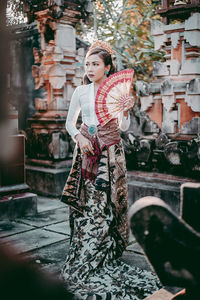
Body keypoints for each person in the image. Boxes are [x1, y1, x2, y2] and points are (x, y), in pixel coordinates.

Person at [61, 40, 160, 299]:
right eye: (87, 64)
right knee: (88, 201)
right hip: (85, 151)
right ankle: (86, 248)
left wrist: (125, 110)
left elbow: (124, 127)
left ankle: (107, 249)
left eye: (95, 64)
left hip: (111, 152)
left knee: (108, 202)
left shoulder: (116, 92)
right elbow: (70, 124)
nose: (90, 68)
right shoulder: (81, 92)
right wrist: (79, 138)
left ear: (107, 68)